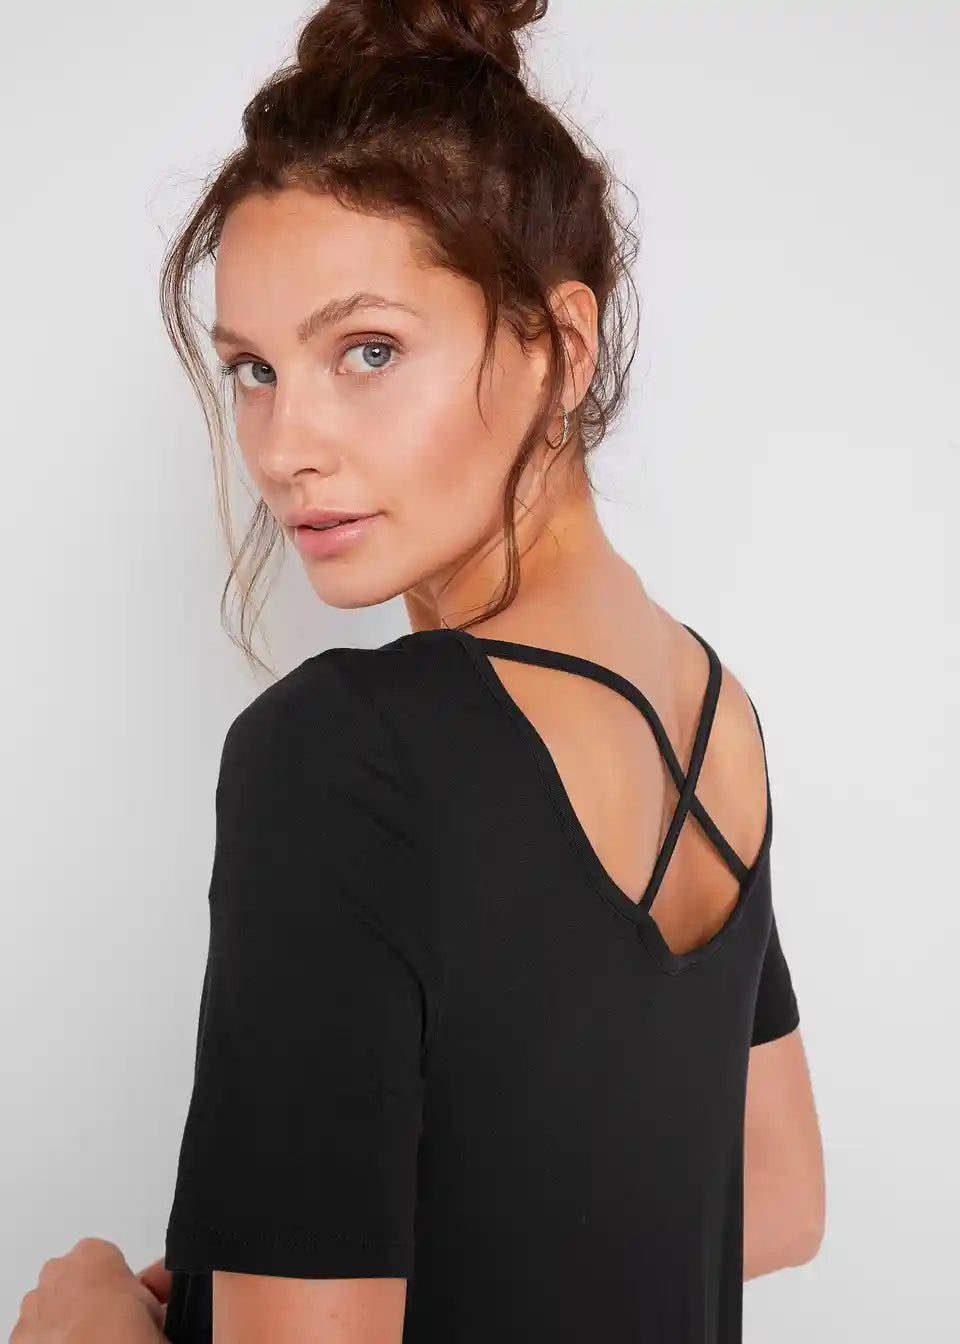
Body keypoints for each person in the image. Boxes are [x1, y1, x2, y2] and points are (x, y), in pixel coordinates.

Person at [12, 2, 825, 1342]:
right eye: (254, 370)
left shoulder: (348, 752)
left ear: (561, 346)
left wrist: (87, 1324)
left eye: (369, 352)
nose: (286, 443)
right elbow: (777, 1201)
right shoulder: (713, 710)